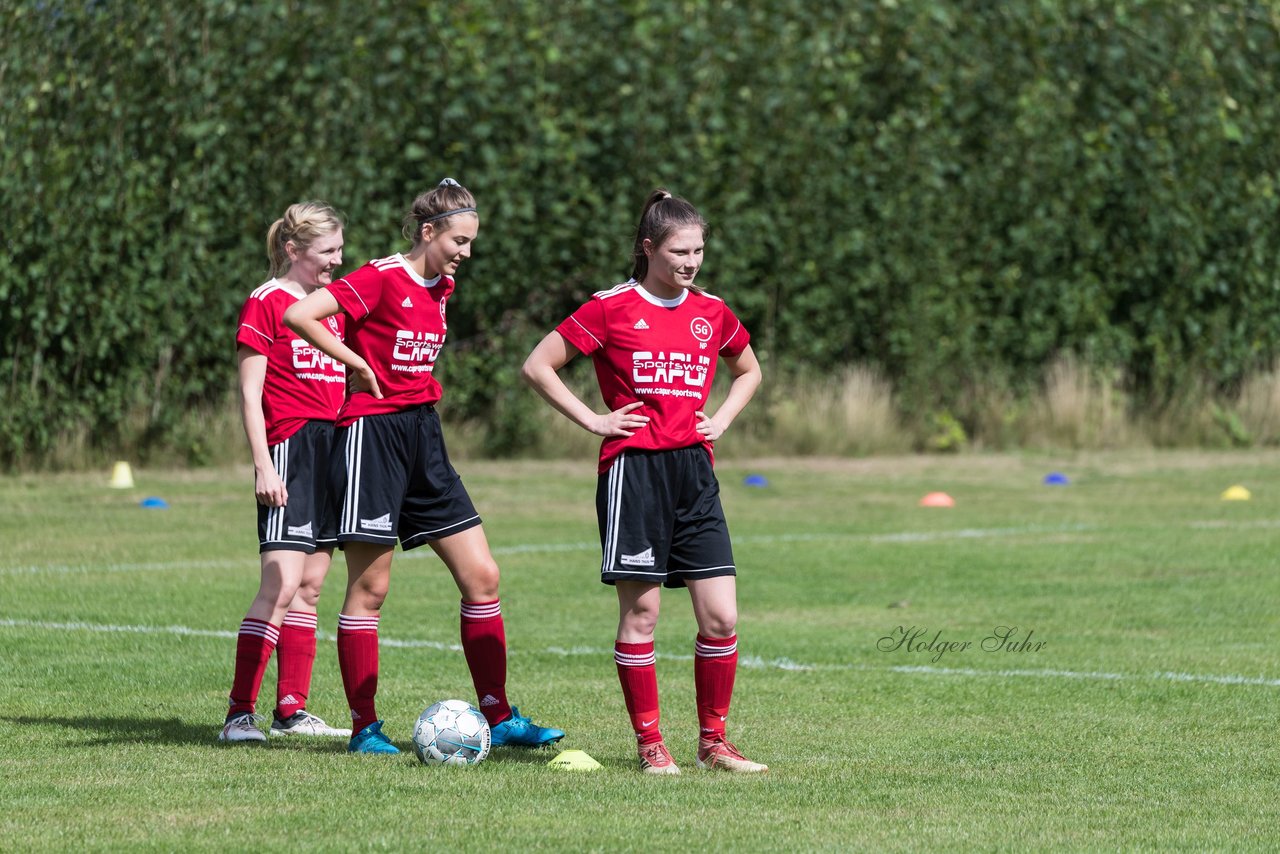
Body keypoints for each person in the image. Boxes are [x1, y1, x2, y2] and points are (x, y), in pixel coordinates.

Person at [282, 178, 565, 755]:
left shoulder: (443, 286)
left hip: (422, 436)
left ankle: (501, 715)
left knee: (483, 576)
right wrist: (355, 363)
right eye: (459, 240)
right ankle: (364, 728)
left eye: (471, 242)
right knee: (371, 588)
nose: (466, 252)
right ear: (429, 232)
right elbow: (300, 313)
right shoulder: (381, 276)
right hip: (369, 435)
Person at [522, 189, 767, 774]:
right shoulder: (610, 307)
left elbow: (749, 369)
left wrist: (723, 419)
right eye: (681, 251)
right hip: (634, 473)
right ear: (649, 248)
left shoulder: (712, 311)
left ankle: (715, 744)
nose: (692, 262)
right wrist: (595, 421)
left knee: (722, 617)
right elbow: (538, 365)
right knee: (643, 615)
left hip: (695, 474)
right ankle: (651, 745)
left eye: (700, 251)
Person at [221, 201, 352, 743]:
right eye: (327, 252)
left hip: (332, 450)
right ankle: (238, 715)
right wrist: (263, 464)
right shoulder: (266, 301)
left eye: (341, 251)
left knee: (312, 586)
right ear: (293, 250)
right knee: (280, 583)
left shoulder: (333, 307)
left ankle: (292, 710)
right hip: (289, 448)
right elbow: (251, 394)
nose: (337, 263)